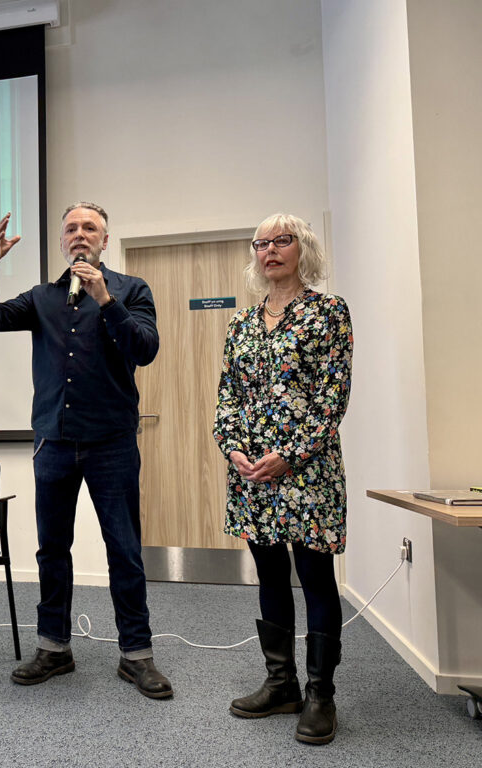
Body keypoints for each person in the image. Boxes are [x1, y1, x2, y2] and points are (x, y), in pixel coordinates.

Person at [0, 203, 172, 698]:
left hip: (112, 444)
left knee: (124, 550)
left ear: (105, 240)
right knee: (52, 551)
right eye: (71, 229)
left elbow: (144, 348)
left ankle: (136, 655)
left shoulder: (131, 290)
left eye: (89, 228)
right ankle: (54, 648)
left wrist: (107, 301)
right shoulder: (42, 297)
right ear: (62, 242)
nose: (79, 235)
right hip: (55, 443)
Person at [213, 213, 353, 744]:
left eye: (282, 240)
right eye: (261, 243)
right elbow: (228, 396)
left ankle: (321, 695)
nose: (270, 250)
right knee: (269, 575)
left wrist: (289, 455)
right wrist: (234, 449)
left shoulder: (329, 313)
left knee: (315, 578)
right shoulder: (242, 324)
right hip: (253, 476)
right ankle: (282, 683)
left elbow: (331, 399)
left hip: (308, 473)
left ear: (303, 249)